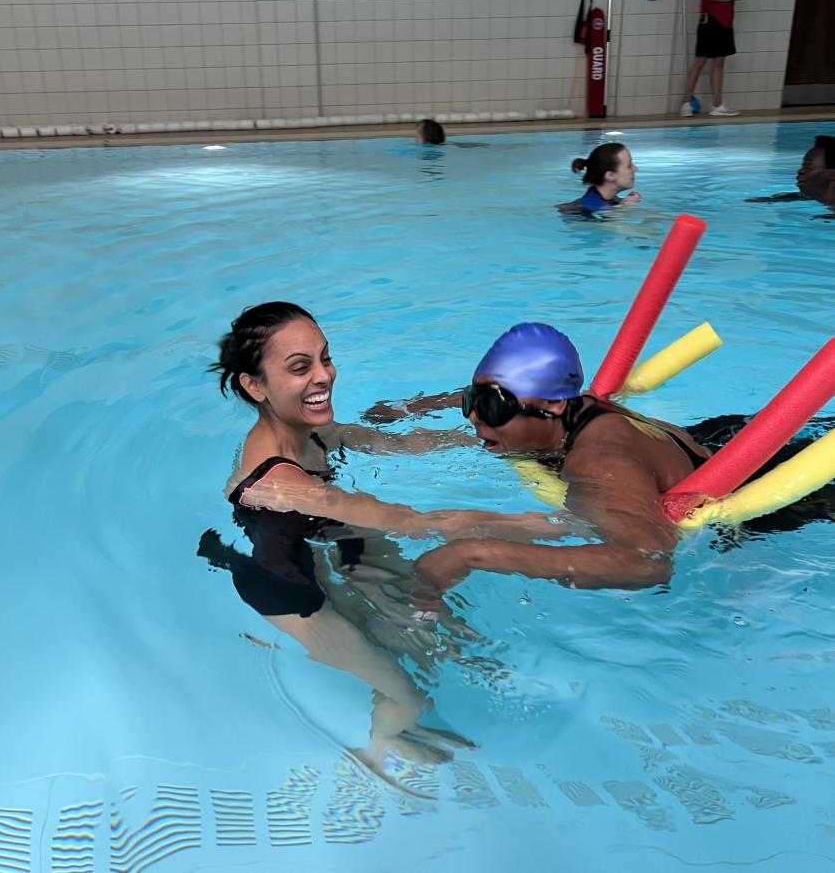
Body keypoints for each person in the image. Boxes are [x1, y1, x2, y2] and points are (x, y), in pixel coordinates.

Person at [198, 303, 574, 781]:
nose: (323, 376)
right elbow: (411, 522)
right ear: (255, 386)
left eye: (325, 358)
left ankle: (393, 688)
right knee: (406, 693)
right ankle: (379, 748)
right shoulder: (280, 481)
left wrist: (503, 435)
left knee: (433, 632)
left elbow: (396, 444)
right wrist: (539, 524)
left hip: (328, 542)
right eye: (300, 367)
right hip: (290, 592)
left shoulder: (310, 434)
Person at [367, 323, 711, 591]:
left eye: (489, 406)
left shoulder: (598, 463)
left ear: (553, 405)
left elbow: (647, 562)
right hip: (701, 439)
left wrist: (471, 553)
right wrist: (411, 408)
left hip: (742, 511)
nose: (473, 416)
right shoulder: (555, 409)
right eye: (475, 400)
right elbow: (492, 394)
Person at [680, 0, 749, 118]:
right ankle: (686, 103)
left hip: (726, 24)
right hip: (710, 21)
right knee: (700, 61)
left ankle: (717, 105)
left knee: (719, 62)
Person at [745, 135, 835, 207]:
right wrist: (771, 200)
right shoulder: (817, 195)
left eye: (809, 167)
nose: (800, 171)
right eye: (803, 166)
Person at [558, 142, 641, 216]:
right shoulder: (591, 206)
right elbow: (620, 229)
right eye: (629, 166)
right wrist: (625, 207)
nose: (636, 169)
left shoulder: (608, 200)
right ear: (610, 175)